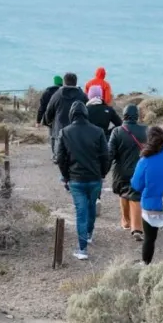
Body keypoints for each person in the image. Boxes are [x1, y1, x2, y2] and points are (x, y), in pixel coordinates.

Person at [55, 101, 111, 260]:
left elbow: (60, 158)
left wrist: (65, 176)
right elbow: (105, 156)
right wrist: (102, 174)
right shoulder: (98, 131)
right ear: (86, 113)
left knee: (81, 212)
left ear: (71, 114)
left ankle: (82, 249)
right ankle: (89, 234)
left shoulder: (65, 132)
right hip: (94, 178)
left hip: (76, 179)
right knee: (91, 206)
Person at [131, 125, 163, 263]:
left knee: (149, 239)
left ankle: (146, 266)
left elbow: (136, 185)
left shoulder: (144, 160)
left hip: (150, 208)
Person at [108, 104, 146, 241]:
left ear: (124, 115)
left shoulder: (117, 131)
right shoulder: (145, 131)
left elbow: (110, 153)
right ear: (137, 116)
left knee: (123, 193)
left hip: (121, 171)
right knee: (136, 196)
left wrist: (103, 170)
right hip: (140, 169)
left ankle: (129, 223)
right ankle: (135, 226)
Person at [43, 72, 87, 151]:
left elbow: (49, 111)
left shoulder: (57, 95)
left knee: (59, 157)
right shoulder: (82, 95)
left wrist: (49, 122)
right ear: (76, 82)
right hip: (77, 133)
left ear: (64, 82)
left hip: (59, 131)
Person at [36, 75, 63, 158]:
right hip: (61, 116)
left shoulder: (47, 92)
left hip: (49, 117)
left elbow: (42, 107)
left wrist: (38, 120)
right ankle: (62, 153)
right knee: (62, 135)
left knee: (52, 136)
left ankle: (55, 154)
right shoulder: (63, 92)